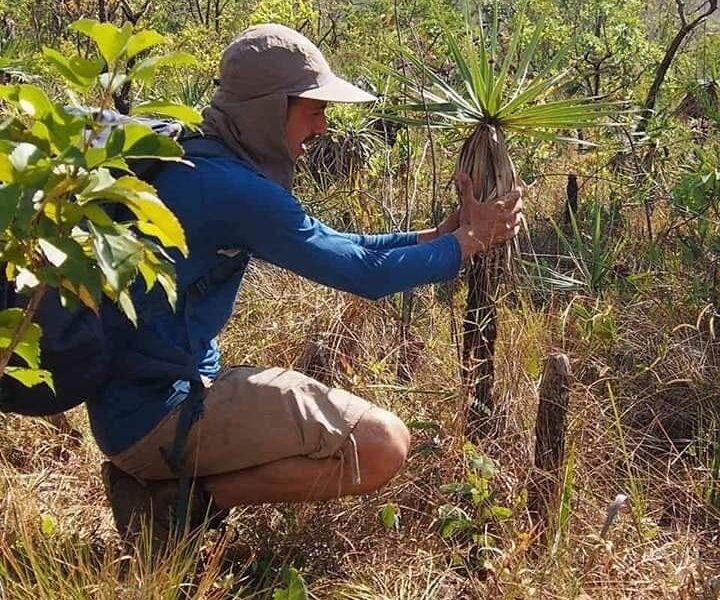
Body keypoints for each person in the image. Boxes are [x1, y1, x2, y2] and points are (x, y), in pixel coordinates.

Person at [97, 23, 523, 543]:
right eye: (314, 109)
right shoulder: (234, 191)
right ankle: (174, 502)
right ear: (270, 110)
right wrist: (469, 243)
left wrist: (437, 236)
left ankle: (160, 480)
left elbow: (337, 244)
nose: (321, 127)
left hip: (135, 407)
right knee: (381, 444)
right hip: (157, 416)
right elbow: (362, 275)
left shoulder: (200, 159)